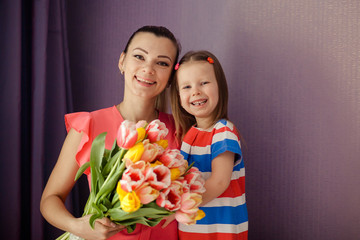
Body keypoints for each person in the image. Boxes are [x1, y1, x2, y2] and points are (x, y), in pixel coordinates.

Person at [40, 25, 181, 240]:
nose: (148, 69)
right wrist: (78, 226)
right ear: (122, 61)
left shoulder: (181, 130)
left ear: (171, 76)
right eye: (139, 57)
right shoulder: (88, 126)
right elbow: (50, 199)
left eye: (162, 63)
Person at [170, 50, 248, 240]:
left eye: (204, 83)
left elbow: (219, 182)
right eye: (186, 86)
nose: (196, 91)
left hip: (220, 231)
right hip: (193, 230)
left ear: (219, 86)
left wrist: (182, 208)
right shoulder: (189, 135)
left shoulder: (223, 132)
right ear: (178, 96)